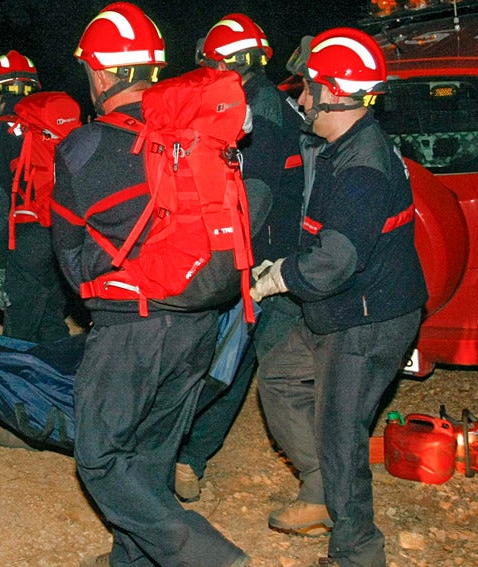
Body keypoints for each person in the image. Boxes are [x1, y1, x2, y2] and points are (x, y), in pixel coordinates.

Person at [52, 4, 249, 566]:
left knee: (99, 458)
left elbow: (69, 258)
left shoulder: (82, 148)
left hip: (132, 327)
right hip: (201, 317)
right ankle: (131, 562)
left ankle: (206, 555)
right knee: (152, 455)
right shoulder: (194, 136)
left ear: (101, 72)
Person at [250, 28, 427, 566]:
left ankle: (357, 552)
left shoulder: (361, 168)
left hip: (368, 318)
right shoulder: (341, 146)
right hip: (345, 306)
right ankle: (324, 485)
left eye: (308, 88)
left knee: (340, 433)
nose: (301, 99)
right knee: (279, 377)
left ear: (334, 92)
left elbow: (335, 261)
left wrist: (279, 276)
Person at [174, 13, 307, 504]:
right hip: (278, 255)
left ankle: (187, 457)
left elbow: (253, 204)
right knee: (240, 361)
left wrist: (209, 259)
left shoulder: (261, 117)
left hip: (266, 263)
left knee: (228, 361)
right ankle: (189, 456)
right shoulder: (260, 102)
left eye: (209, 64)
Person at [0, 50, 69, 343]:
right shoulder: (55, 126)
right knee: (51, 319)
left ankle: (19, 386)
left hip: (26, 240)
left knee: (19, 332)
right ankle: (60, 383)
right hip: (62, 235)